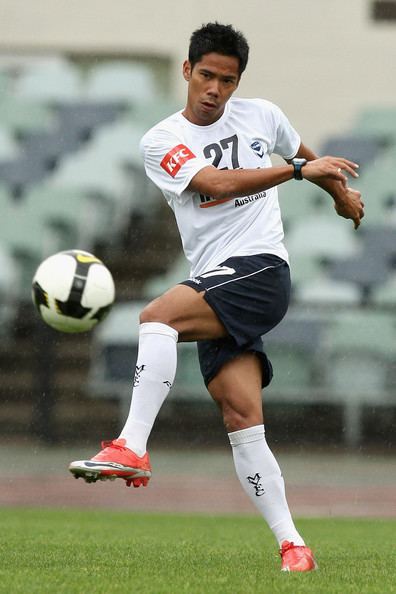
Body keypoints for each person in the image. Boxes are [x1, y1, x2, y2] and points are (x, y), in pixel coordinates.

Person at [69, 22, 364, 572]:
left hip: (259, 270)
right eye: (206, 75)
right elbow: (218, 185)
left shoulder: (263, 115)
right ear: (187, 70)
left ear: (237, 82)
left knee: (157, 318)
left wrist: (340, 196)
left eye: (227, 80)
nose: (215, 90)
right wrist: (302, 171)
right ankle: (294, 546)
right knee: (242, 420)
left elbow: (307, 158)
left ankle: (131, 446)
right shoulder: (160, 140)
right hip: (217, 278)